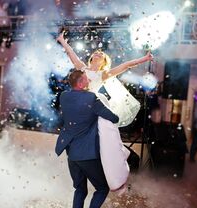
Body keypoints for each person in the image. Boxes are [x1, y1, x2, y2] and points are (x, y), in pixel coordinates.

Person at [57, 32, 153, 192]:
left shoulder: (104, 74)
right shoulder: (82, 68)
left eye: (101, 54)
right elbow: (72, 54)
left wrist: (144, 59)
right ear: (92, 58)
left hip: (89, 108)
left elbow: (126, 65)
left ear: (103, 62)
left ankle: (110, 170)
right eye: (96, 52)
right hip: (77, 106)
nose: (98, 53)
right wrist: (62, 41)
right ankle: (79, 166)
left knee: (102, 138)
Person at [55, 70, 119, 208]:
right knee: (102, 188)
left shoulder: (64, 96)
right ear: (80, 83)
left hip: (71, 154)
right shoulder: (91, 98)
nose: (89, 81)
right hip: (87, 154)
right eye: (86, 79)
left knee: (80, 189)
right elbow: (113, 117)